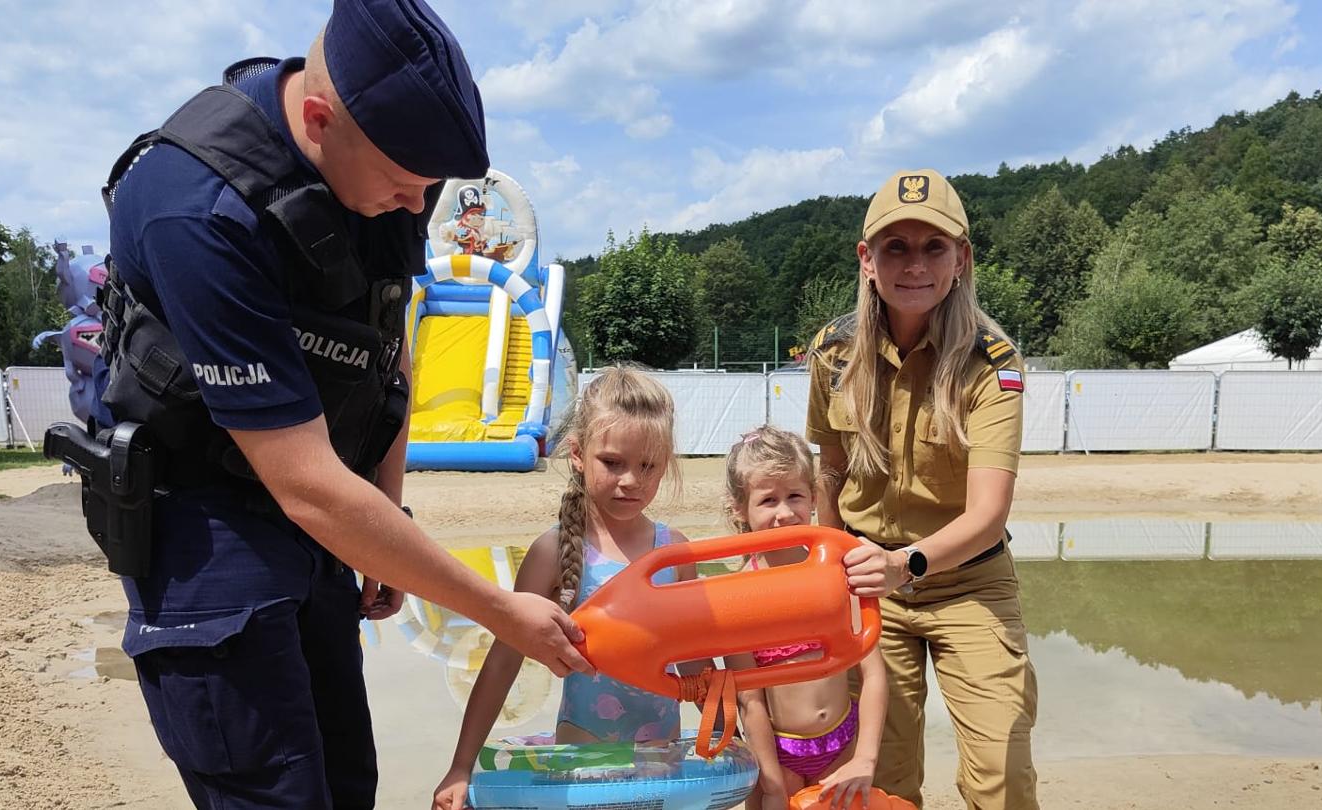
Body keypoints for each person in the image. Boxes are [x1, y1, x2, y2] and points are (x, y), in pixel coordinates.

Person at [80, 1, 588, 807]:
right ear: (318, 119)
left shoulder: (385, 176)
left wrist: (386, 521)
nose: (414, 208)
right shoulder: (198, 207)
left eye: (428, 190)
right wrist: (497, 610)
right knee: (274, 789)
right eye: (401, 186)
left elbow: (392, 348)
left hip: (318, 519)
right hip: (207, 521)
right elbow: (306, 482)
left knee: (347, 778)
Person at [808, 169, 1038, 808]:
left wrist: (903, 565)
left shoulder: (993, 364)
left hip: (969, 583)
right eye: (896, 247)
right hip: (866, 581)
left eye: (934, 246)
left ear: (961, 259)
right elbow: (829, 472)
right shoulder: (834, 353)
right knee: (881, 773)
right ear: (867, 259)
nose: (915, 265)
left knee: (1002, 769)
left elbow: (989, 515)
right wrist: (828, 571)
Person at [431, 366, 699, 810]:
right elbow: (502, 663)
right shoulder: (552, 551)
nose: (630, 480)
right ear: (577, 453)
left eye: (648, 466)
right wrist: (461, 766)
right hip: (581, 757)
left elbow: (699, 670)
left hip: (662, 759)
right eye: (612, 463)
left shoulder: (676, 554)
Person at [721, 426, 890, 810]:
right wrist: (770, 779)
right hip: (776, 753)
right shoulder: (737, 597)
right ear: (739, 508)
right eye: (768, 500)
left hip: (843, 744)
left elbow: (874, 674)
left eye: (794, 496)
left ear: (813, 497)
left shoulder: (837, 577)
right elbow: (750, 702)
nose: (784, 513)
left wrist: (865, 757)